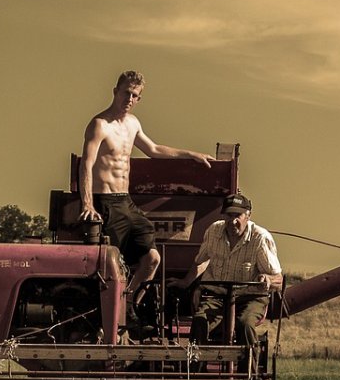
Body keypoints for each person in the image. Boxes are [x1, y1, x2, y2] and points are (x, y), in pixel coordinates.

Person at [79, 71, 212, 318]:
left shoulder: (133, 124)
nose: (129, 99)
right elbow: (86, 164)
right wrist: (88, 203)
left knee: (152, 258)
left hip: (125, 201)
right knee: (111, 266)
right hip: (104, 201)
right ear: (115, 91)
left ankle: (127, 302)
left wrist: (190, 154)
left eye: (135, 95)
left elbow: (153, 149)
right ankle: (108, 314)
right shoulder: (99, 125)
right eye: (126, 93)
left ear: (139, 99)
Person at [174, 193, 282, 348]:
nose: (233, 221)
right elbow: (201, 261)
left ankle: (248, 369)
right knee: (199, 322)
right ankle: (195, 370)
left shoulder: (260, 238)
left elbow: (278, 279)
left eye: (237, 215)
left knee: (245, 324)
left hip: (250, 298)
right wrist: (185, 282)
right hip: (216, 296)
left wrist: (268, 280)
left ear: (248, 216)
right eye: (229, 216)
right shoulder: (214, 231)